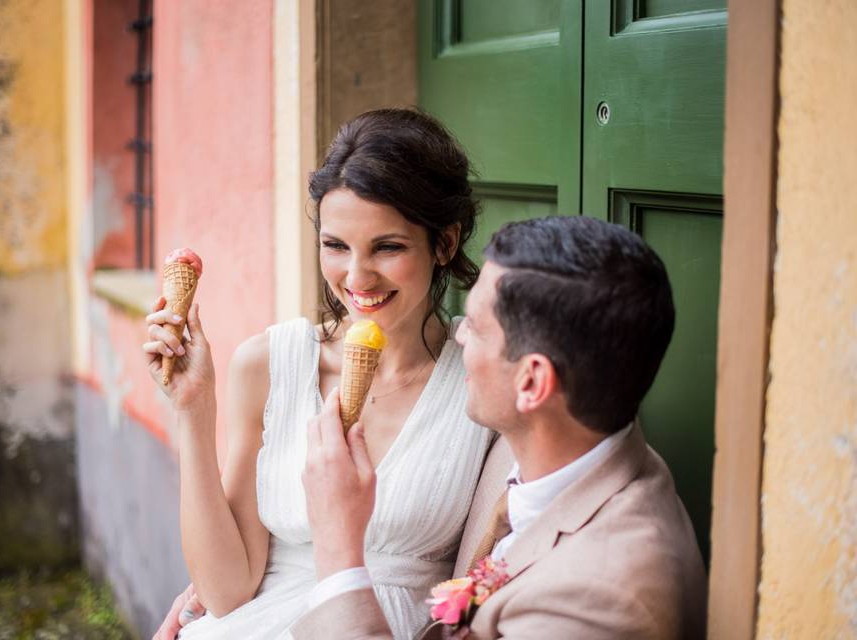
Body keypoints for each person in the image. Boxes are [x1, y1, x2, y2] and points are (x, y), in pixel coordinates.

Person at [145, 109, 495, 639]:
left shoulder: (484, 375)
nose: (357, 277)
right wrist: (193, 407)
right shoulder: (268, 363)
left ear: (444, 243)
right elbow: (226, 591)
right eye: (336, 246)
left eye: (388, 246)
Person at [295, 216, 708, 639]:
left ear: (531, 383)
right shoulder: (575, 439)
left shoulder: (596, 601)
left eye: (474, 327)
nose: (459, 339)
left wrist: (339, 552)